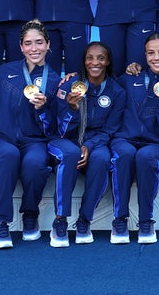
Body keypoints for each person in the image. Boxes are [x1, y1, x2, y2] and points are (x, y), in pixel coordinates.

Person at [0, 20, 61, 249]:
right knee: (6, 157)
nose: (34, 48)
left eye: (39, 42)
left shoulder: (55, 79)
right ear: (20, 47)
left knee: (36, 163)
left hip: (34, 140)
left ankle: (30, 213)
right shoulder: (5, 71)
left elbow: (52, 127)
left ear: (48, 44)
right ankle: (0, 223)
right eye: (28, 43)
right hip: (2, 136)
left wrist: (43, 109)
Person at [111, 33, 159, 244]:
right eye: (151, 53)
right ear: (145, 55)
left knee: (145, 157)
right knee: (124, 154)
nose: (157, 58)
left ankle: (146, 220)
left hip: (157, 144)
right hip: (125, 139)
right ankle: (120, 218)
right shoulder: (129, 78)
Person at [47, 41, 126, 247]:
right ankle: (60, 220)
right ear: (83, 61)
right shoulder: (69, 85)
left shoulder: (117, 92)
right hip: (66, 140)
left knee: (102, 158)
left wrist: (89, 146)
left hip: (96, 141)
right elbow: (60, 130)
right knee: (70, 154)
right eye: (90, 58)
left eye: (101, 58)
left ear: (108, 61)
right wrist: (71, 109)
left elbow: (110, 129)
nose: (95, 62)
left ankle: (84, 220)